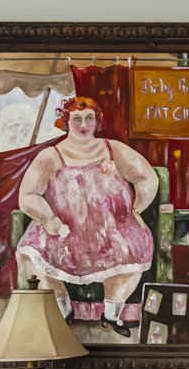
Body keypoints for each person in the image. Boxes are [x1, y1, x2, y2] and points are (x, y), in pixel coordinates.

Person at [15, 95, 159, 338]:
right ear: (66, 122)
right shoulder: (51, 155)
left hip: (112, 231)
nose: (84, 124)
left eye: (89, 118)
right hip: (64, 232)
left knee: (132, 255)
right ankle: (62, 311)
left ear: (97, 121)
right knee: (34, 257)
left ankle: (111, 314)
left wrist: (136, 209)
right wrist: (48, 219)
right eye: (77, 119)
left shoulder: (112, 149)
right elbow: (27, 195)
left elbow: (147, 177)